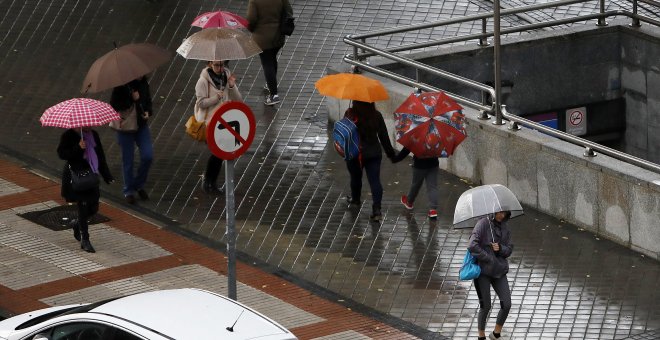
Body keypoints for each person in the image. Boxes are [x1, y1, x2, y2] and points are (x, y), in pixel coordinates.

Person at [58, 127, 114, 253]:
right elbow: (62, 154)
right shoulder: (68, 135)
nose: (89, 126)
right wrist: (78, 148)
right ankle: (85, 239)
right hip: (77, 177)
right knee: (82, 207)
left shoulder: (93, 134)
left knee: (94, 208)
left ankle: (77, 223)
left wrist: (107, 175)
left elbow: (100, 155)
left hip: (91, 175)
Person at [194, 60, 242, 194]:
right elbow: (201, 103)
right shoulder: (202, 81)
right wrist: (216, 98)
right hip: (210, 123)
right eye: (216, 65)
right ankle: (209, 181)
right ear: (210, 64)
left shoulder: (227, 77)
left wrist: (231, 86)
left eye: (222, 65)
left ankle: (209, 181)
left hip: (225, 121)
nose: (220, 68)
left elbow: (238, 99)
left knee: (219, 153)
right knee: (217, 152)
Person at [344, 101, 395, 221]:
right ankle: (377, 209)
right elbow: (384, 136)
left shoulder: (350, 114)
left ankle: (355, 200)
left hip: (355, 153)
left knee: (355, 177)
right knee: (375, 181)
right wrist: (391, 154)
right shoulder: (376, 115)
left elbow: (345, 133)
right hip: (374, 153)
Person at [468, 211, 514, 340]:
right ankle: (481, 336)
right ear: (494, 211)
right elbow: (472, 245)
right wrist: (488, 257)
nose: (502, 216)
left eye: (505, 213)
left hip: (499, 270)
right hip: (483, 272)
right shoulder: (482, 224)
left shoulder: (505, 227)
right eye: (500, 212)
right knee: (486, 306)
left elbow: (509, 249)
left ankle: (496, 334)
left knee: (507, 304)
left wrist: (500, 248)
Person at [109, 76, 154, 204]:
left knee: (148, 156)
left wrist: (148, 111)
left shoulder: (144, 82)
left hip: (141, 125)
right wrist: (131, 99)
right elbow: (114, 104)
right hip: (126, 127)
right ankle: (129, 190)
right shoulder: (122, 84)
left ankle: (138, 184)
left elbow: (148, 100)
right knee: (128, 160)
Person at [247, 0, 293, 106]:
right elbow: (289, 11)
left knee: (267, 63)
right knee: (272, 59)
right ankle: (271, 85)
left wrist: (252, 30)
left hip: (262, 38)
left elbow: (251, 19)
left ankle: (274, 95)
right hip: (278, 36)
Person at [391, 146, 440, 219]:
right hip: (433, 164)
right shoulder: (436, 135)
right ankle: (433, 210)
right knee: (432, 187)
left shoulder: (416, 136)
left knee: (416, 185)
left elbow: (407, 148)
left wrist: (396, 158)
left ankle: (409, 202)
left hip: (419, 164)